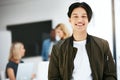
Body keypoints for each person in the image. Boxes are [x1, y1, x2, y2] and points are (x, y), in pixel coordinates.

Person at [48, 2, 117, 80]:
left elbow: (110, 75)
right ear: (70, 20)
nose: (80, 20)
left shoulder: (102, 45)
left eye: (84, 16)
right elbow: (53, 77)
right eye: (75, 16)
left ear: (89, 20)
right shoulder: (57, 48)